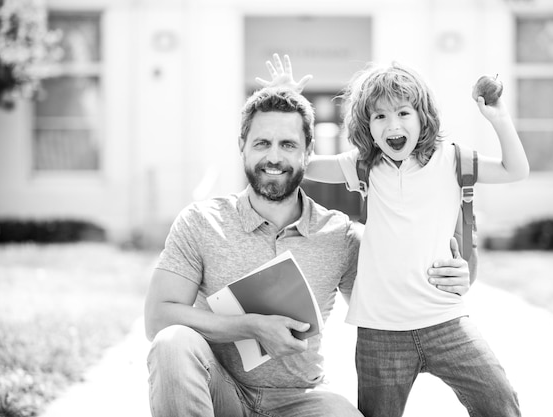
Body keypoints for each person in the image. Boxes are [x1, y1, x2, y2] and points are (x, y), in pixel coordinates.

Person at [144, 84, 473, 416]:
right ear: (242, 146)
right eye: (262, 143)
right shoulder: (201, 222)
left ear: (308, 151)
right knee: (173, 343)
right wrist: (252, 326)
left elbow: (399, 298)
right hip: (220, 393)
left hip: (301, 399)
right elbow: (158, 318)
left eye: (288, 144)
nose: (274, 157)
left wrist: (454, 276)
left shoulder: (339, 235)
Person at [258, 54, 529, 417]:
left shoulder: (452, 160)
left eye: (403, 112)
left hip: (445, 320)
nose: (392, 124)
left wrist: (499, 118)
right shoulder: (365, 167)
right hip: (380, 334)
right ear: (366, 125)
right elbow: (301, 164)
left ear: (422, 117)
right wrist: (290, 107)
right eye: (379, 116)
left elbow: (516, 170)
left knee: (500, 403)